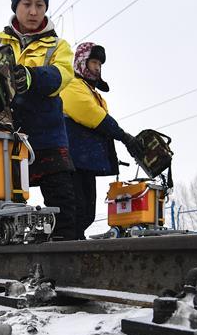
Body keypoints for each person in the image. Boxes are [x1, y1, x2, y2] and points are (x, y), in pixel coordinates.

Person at [0, 0, 77, 241]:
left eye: (40, 4)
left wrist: (32, 77)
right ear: (16, 6)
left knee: (64, 207)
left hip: (48, 137)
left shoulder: (57, 46)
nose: (34, 11)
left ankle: (67, 251)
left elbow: (63, 75)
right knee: (6, 208)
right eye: (27, 3)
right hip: (7, 140)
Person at [61, 42, 143, 239]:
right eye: (93, 62)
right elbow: (94, 116)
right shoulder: (72, 86)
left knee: (86, 213)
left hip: (83, 163)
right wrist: (124, 137)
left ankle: (74, 245)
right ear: (82, 62)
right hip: (72, 162)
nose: (97, 67)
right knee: (76, 211)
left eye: (99, 63)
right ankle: (69, 248)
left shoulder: (90, 91)